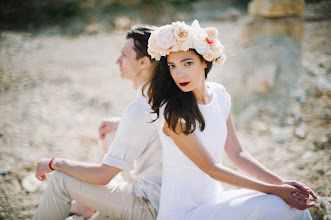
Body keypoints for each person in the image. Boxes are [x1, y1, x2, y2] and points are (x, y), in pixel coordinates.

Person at [145, 20, 317, 220]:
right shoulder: (174, 113)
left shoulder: (219, 94)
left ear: (205, 61)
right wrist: (274, 190)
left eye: (187, 63)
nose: (179, 73)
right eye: (172, 66)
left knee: (292, 206)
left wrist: (281, 184)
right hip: (184, 213)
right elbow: (211, 168)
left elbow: (237, 153)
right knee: (277, 205)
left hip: (214, 202)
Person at [33, 26, 162, 220]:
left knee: (60, 180)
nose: (117, 61)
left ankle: (84, 204)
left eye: (124, 55)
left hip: (150, 205)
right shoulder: (162, 96)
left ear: (144, 62)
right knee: (109, 133)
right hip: (160, 192)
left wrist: (54, 163)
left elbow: (103, 176)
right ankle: (86, 206)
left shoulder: (140, 109)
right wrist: (121, 123)